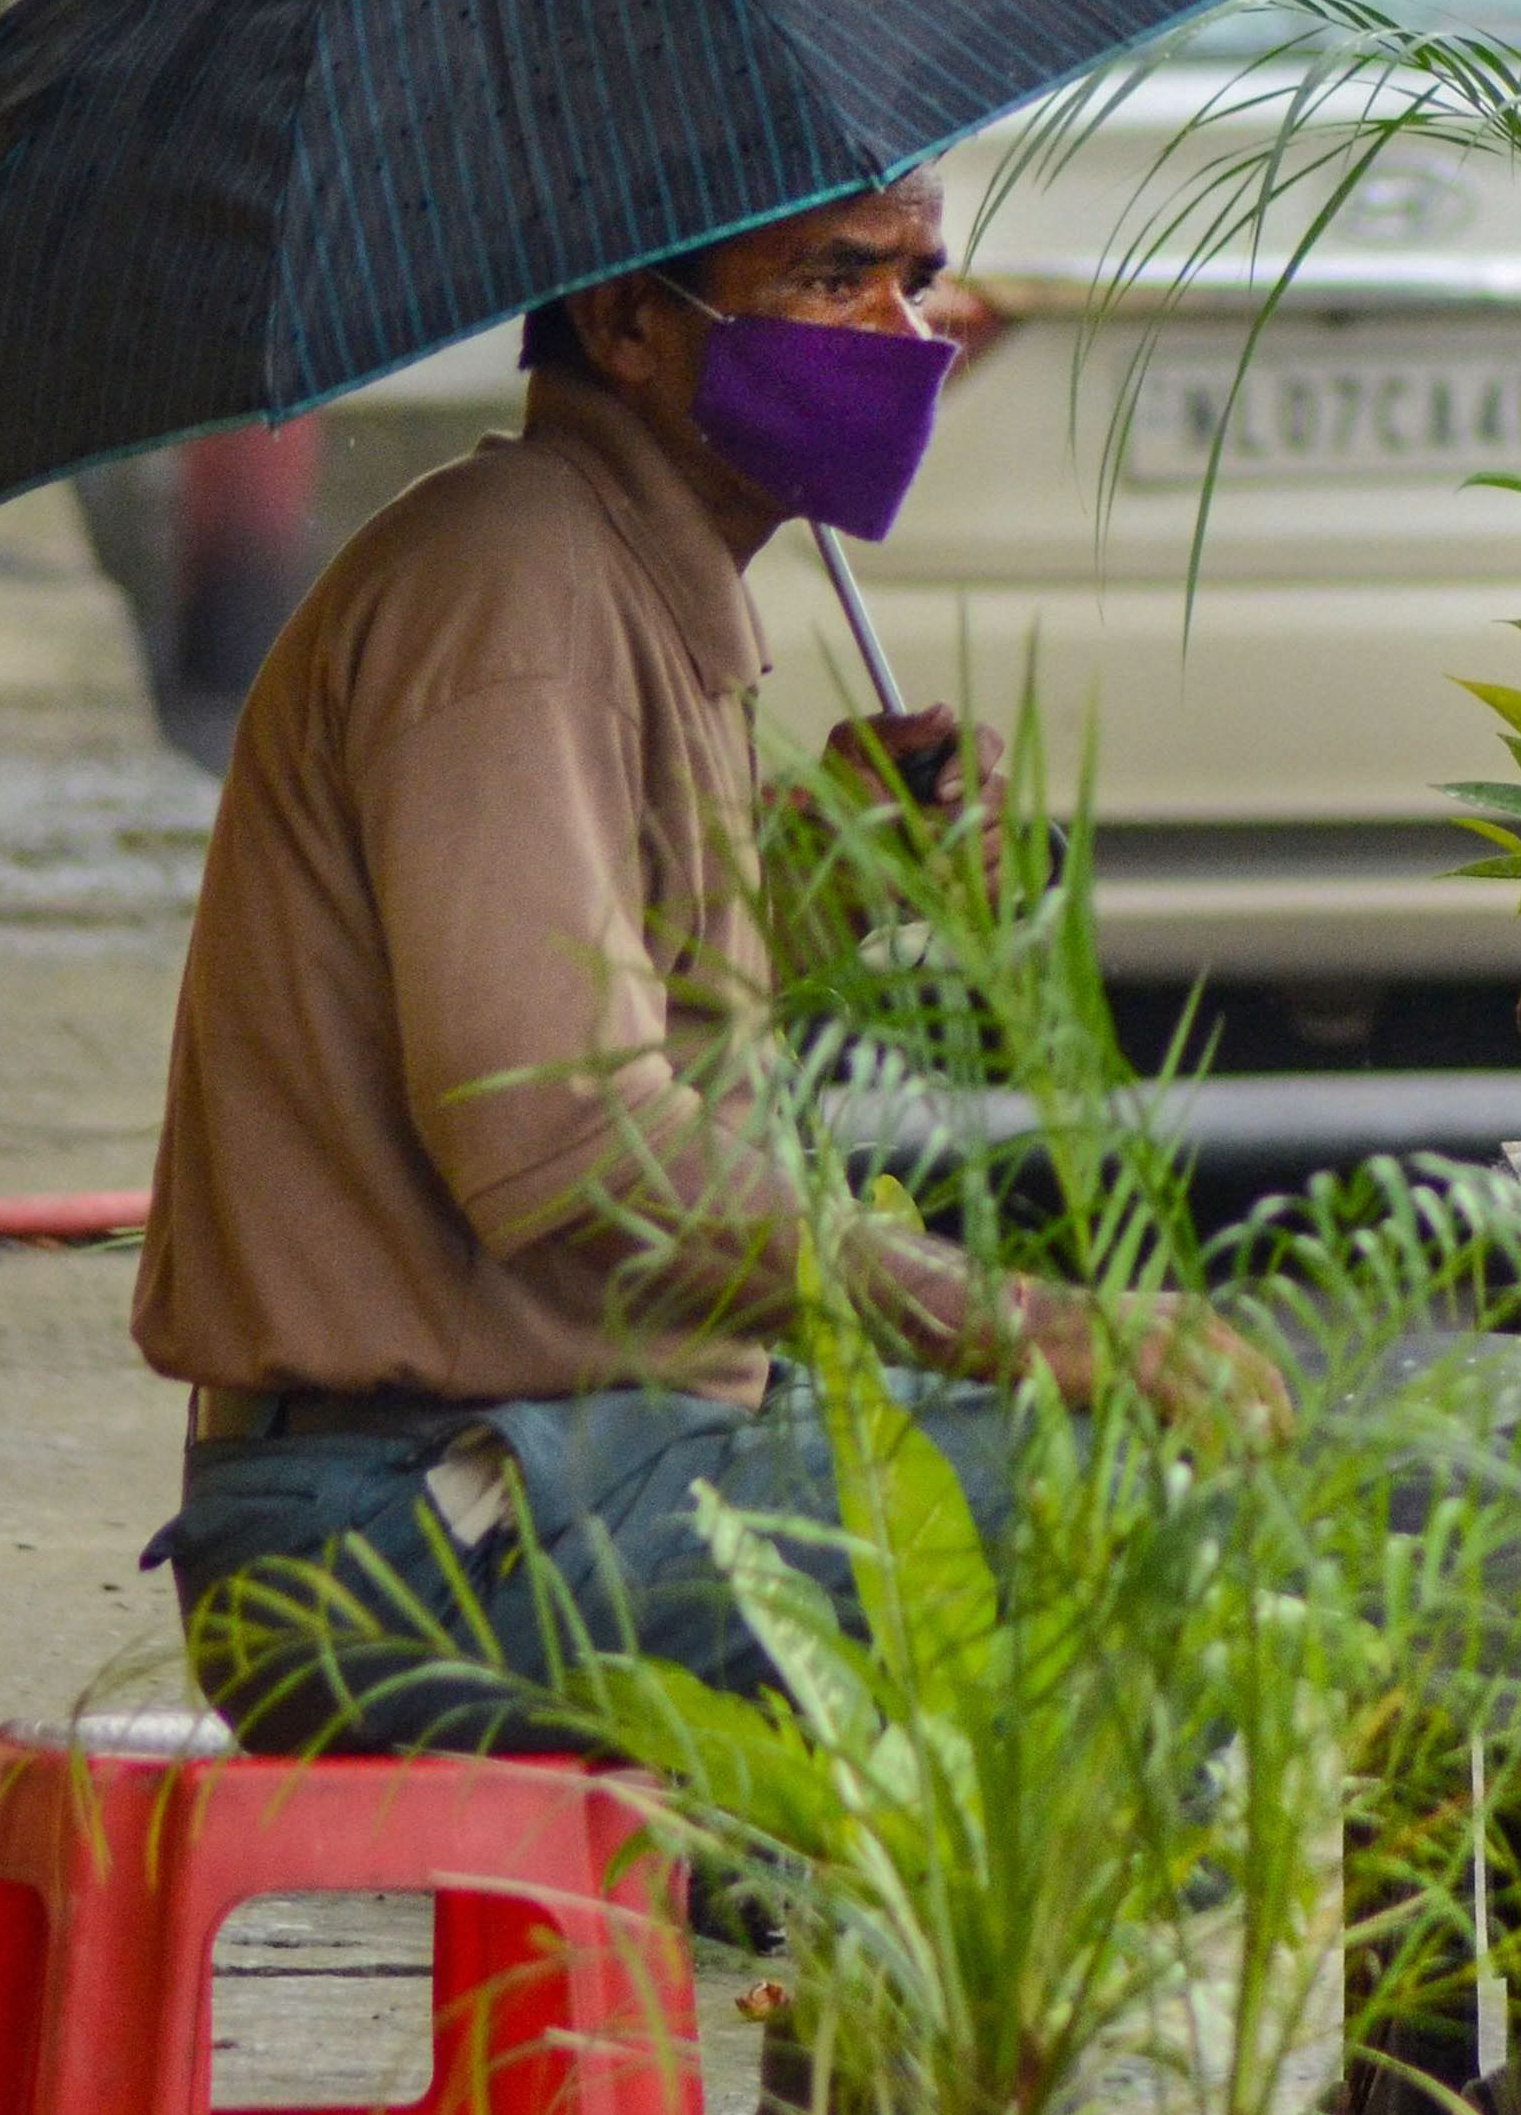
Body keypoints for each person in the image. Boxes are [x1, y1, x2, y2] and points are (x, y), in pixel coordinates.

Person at [134, 175, 1283, 1746]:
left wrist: (837, 865)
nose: (903, 334)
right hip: (412, 1527)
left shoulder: (620, 577)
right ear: (624, 323)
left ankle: (882, 1983)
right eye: (835, 277)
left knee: (1138, 1464)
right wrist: (1020, 1320)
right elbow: (562, 1139)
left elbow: (612, 986)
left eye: (918, 281)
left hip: (541, 1464)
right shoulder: (519, 592)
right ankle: (1055, 2003)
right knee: (1140, 1505)